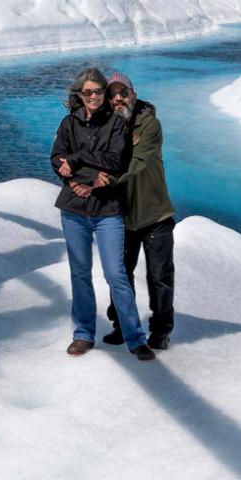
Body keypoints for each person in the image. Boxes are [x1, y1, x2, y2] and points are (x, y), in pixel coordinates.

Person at [50, 67, 156, 362]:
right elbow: (56, 159)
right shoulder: (68, 123)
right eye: (88, 92)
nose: (94, 96)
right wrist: (74, 182)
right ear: (80, 95)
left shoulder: (117, 125)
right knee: (80, 274)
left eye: (99, 91)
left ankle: (135, 338)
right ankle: (83, 334)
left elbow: (115, 161)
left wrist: (78, 160)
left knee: (116, 274)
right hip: (74, 209)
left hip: (108, 210)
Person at [102, 70, 177, 350]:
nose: (118, 98)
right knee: (119, 275)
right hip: (120, 217)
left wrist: (104, 177)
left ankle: (161, 330)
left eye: (123, 93)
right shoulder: (103, 126)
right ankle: (122, 326)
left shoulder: (150, 124)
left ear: (133, 95)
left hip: (155, 216)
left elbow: (137, 161)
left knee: (159, 276)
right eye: (112, 94)